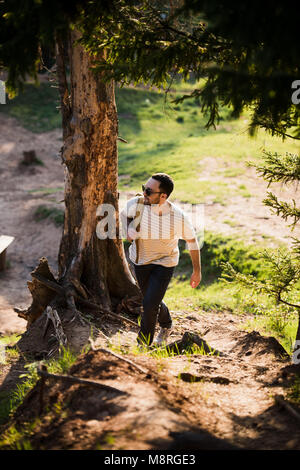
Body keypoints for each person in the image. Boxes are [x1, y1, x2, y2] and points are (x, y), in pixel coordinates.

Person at [120, 173, 201, 347]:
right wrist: (128, 230)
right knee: (151, 299)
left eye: (148, 191)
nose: (144, 194)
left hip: (165, 262)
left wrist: (197, 271)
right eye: (144, 188)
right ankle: (167, 324)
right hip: (140, 261)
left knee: (149, 304)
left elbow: (192, 242)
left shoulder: (178, 217)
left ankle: (143, 345)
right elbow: (125, 214)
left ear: (163, 196)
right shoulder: (137, 204)